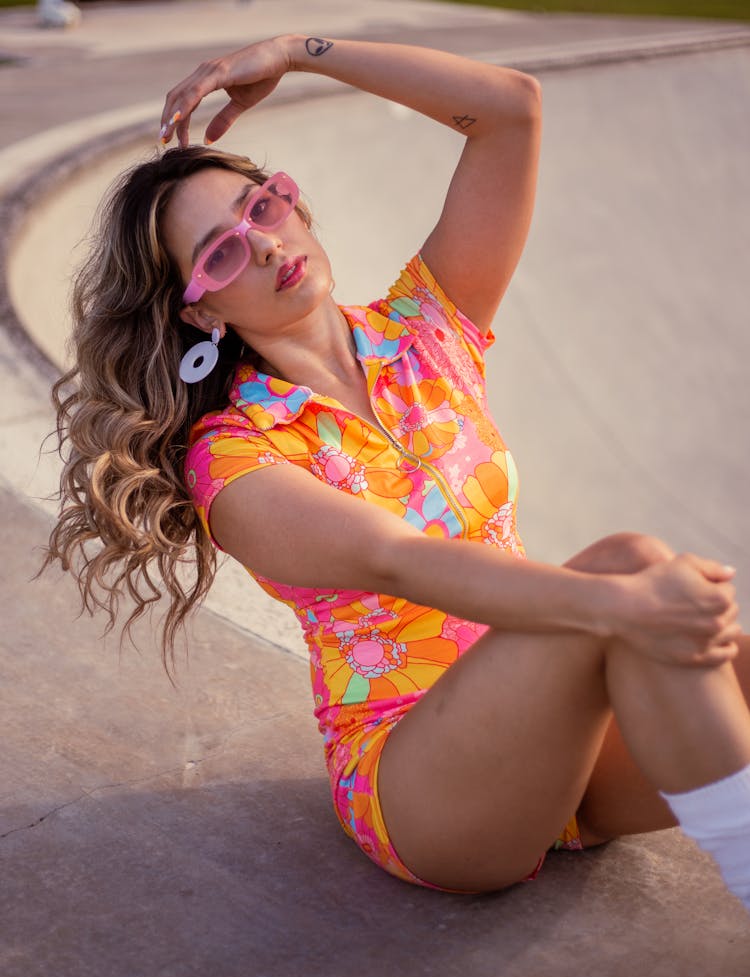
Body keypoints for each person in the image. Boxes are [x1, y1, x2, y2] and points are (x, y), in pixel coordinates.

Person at [47, 34, 750, 904]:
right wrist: (621, 603)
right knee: (634, 562)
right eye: (221, 253)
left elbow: (511, 110)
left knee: (734, 664)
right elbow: (399, 558)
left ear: (295, 207)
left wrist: (301, 52)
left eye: (263, 207)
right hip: (421, 782)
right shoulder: (231, 454)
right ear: (204, 315)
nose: (262, 246)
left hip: (556, 740)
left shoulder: (426, 329)